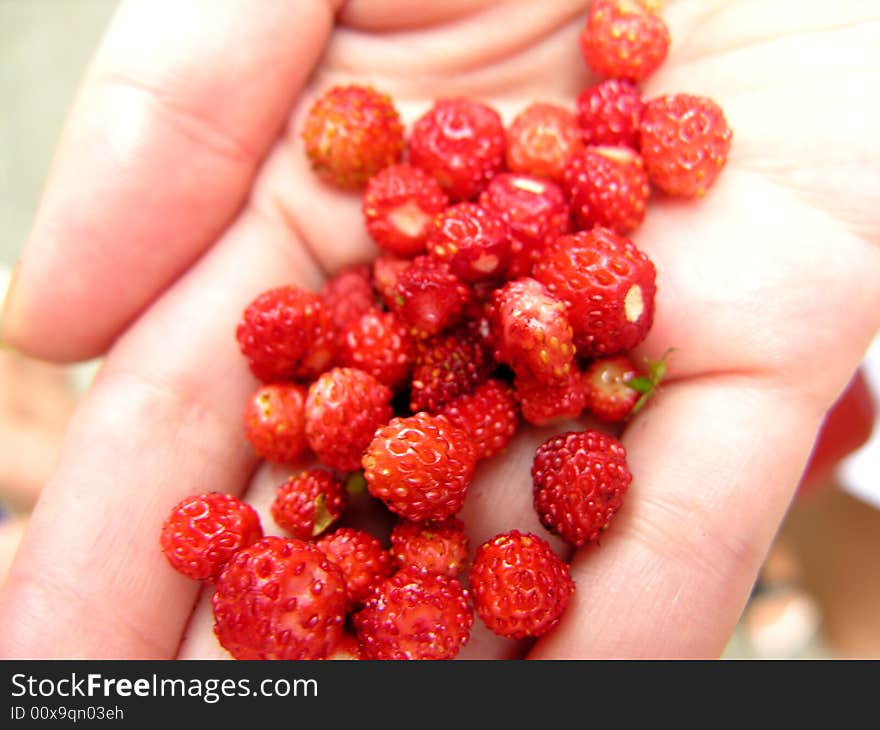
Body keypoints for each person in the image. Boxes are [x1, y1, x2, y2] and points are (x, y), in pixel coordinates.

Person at [0, 0, 878, 659]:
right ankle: (794, 558)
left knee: (803, 451)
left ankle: (796, 564)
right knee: (809, 454)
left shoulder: (540, 302)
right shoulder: (405, 346)